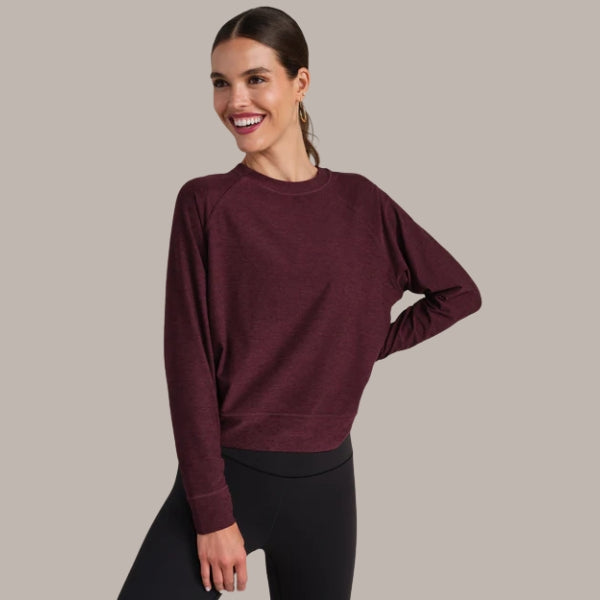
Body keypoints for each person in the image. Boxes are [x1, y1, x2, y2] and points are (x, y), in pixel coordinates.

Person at [117, 6, 482, 599]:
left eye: (256, 78)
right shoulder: (206, 203)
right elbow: (188, 365)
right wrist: (211, 512)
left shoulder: (363, 203)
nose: (235, 100)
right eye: (220, 82)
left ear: (300, 82)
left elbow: (457, 292)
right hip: (227, 476)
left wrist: (363, 343)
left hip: (327, 488)